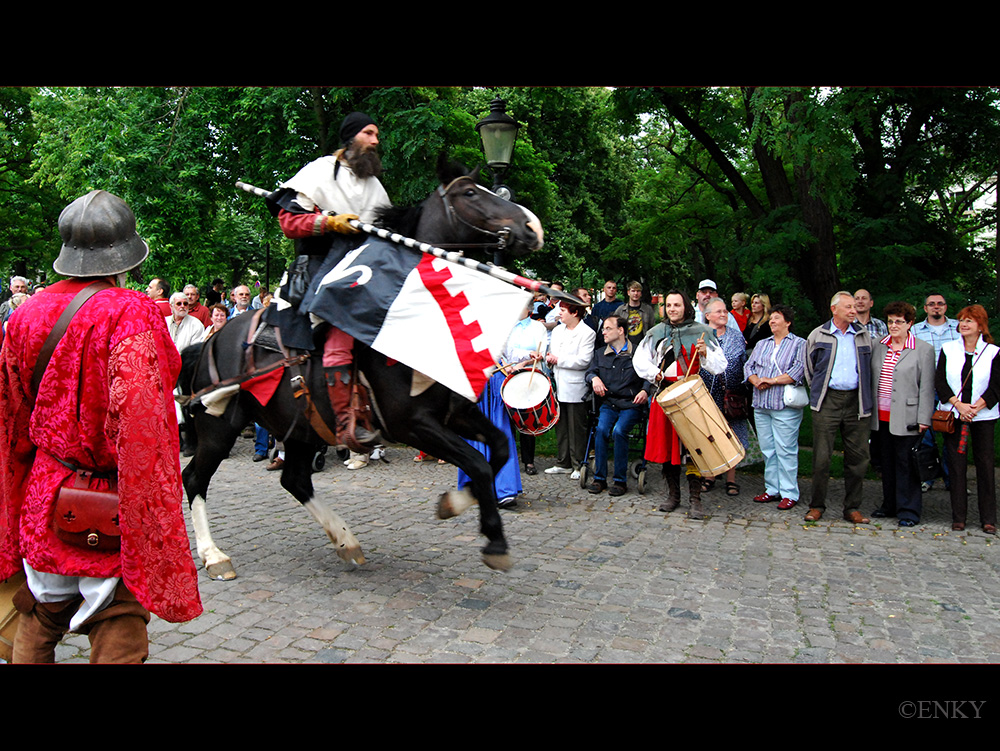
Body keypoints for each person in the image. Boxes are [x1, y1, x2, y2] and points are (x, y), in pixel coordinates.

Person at [0, 190, 201, 663]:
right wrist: (148, 504)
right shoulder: (131, 311)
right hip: (109, 497)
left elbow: (10, 418)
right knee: (119, 615)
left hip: (45, 494)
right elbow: (141, 414)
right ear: (124, 255)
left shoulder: (24, 314)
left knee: (41, 614)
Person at [270, 111, 389, 453]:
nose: (375, 140)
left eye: (376, 134)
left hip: (365, 268)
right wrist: (329, 223)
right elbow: (289, 221)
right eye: (369, 133)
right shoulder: (320, 171)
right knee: (341, 333)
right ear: (352, 137)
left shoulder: (375, 186)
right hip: (323, 267)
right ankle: (345, 422)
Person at [633, 289, 726, 518]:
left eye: (677, 305)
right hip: (665, 396)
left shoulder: (702, 333)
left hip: (691, 398)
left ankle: (695, 499)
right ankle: (673, 496)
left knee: (693, 450)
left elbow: (719, 365)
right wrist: (655, 374)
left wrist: (704, 355)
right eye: (669, 305)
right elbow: (639, 359)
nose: (672, 309)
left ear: (686, 307)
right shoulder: (657, 332)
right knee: (667, 450)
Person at [457, 305, 545, 509]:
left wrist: (528, 354)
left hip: (496, 383)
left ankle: (504, 490)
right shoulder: (463, 326)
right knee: (475, 436)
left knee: (501, 433)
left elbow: (508, 351)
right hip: (476, 384)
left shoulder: (497, 327)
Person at [804, 291, 874, 524]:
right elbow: (809, 369)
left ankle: (852, 507)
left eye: (855, 307)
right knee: (822, 458)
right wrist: (819, 393)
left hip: (857, 402)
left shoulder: (864, 336)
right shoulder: (819, 334)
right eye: (848, 307)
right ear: (834, 309)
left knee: (858, 458)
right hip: (828, 401)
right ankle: (816, 505)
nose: (854, 310)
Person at [935, 304, 1000, 535]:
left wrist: (976, 407)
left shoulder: (993, 352)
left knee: (984, 465)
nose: (963, 324)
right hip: (954, 414)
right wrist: (959, 405)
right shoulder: (948, 349)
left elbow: (996, 386)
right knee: (956, 465)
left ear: (980, 326)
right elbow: (940, 381)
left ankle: (988, 519)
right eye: (961, 320)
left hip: (983, 416)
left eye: (969, 321)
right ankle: (959, 517)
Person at [870, 301, 935, 527]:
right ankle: (889, 505)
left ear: (910, 323)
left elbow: (927, 387)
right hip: (881, 416)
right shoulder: (878, 345)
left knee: (906, 464)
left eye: (899, 321)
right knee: (886, 464)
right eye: (890, 321)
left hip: (908, 417)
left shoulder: (923, 349)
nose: (894, 325)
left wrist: (924, 418)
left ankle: (909, 510)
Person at [744, 304, 808, 510]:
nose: (772, 321)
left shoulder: (799, 344)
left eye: (777, 318)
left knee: (786, 449)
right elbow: (749, 366)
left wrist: (771, 381)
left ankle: (789, 492)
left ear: (787, 322)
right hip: (762, 403)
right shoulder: (763, 344)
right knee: (768, 449)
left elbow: (798, 370)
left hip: (784, 404)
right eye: (771, 318)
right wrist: (755, 381)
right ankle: (772, 489)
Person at [585, 315, 651, 496]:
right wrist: (594, 378)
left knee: (619, 431)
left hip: (631, 404)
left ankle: (620, 481)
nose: (603, 332)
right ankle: (599, 478)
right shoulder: (600, 353)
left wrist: (645, 391)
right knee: (601, 430)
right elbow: (589, 372)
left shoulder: (638, 352)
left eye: (607, 328)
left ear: (620, 331)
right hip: (609, 403)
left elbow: (648, 375)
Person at [699, 298, 750, 497]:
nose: (723, 314)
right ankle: (710, 475)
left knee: (732, 435)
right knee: (710, 435)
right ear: (708, 315)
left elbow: (743, 361)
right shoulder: (701, 335)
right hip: (708, 393)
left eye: (725, 311)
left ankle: (731, 479)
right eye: (718, 311)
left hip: (731, 394)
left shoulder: (737, 337)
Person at [912, 293, 961, 491]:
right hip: (925, 388)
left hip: (952, 392)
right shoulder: (915, 331)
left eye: (940, 304)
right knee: (926, 436)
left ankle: (953, 481)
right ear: (925, 309)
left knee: (953, 436)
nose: (936, 307)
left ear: (945, 307)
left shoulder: (958, 328)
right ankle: (928, 477)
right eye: (931, 304)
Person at [544, 301, 596, 479]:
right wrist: (547, 358)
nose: (560, 314)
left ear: (575, 313)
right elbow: (552, 353)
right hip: (559, 383)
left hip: (575, 386)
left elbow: (583, 361)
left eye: (563, 311)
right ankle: (563, 461)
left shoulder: (587, 333)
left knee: (576, 427)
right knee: (561, 425)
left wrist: (558, 360)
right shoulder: (558, 330)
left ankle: (578, 463)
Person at [503, 303, 549, 477]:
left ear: (529, 309)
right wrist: (505, 366)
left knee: (527, 417)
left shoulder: (538, 327)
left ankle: (528, 461)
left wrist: (526, 362)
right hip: (506, 374)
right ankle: (508, 458)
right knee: (507, 417)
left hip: (528, 375)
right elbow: (502, 351)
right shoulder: (505, 326)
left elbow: (541, 352)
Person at [614, 280, 656, 352]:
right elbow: (615, 328)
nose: (636, 293)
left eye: (638, 291)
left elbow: (652, 329)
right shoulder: (620, 310)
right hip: (625, 347)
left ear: (641, 293)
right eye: (633, 291)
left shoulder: (647, 310)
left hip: (643, 347)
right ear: (628, 292)